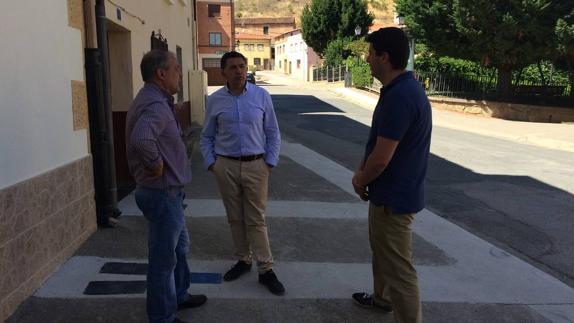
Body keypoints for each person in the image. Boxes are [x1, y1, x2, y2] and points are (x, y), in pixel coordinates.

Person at [351, 27, 432, 323]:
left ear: (384, 57)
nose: (367, 58)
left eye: (370, 53)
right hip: (389, 194)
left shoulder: (400, 97)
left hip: (394, 199)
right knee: (382, 253)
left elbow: (382, 158)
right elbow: (377, 142)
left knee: (400, 269)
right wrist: (364, 172)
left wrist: (360, 178)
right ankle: (382, 300)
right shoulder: (402, 89)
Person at [126, 49, 207, 323]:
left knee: (179, 249)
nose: (179, 76)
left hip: (170, 194)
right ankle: (161, 316)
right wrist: (156, 164)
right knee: (163, 260)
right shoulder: (156, 105)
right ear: (161, 74)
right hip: (162, 194)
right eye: (175, 69)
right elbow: (141, 139)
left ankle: (180, 295)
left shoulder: (156, 99)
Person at [200, 51, 284, 295]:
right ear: (223, 72)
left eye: (242, 66)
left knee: (256, 219)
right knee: (235, 217)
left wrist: (269, 162)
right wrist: (212, 165)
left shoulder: (261, 96)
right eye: (233, 67)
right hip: (225, 166)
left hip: (256, 165)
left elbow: (273, 132)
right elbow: (206, 136)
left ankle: (266, 269)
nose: (239, 71)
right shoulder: (215, 100)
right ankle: (243, 260)